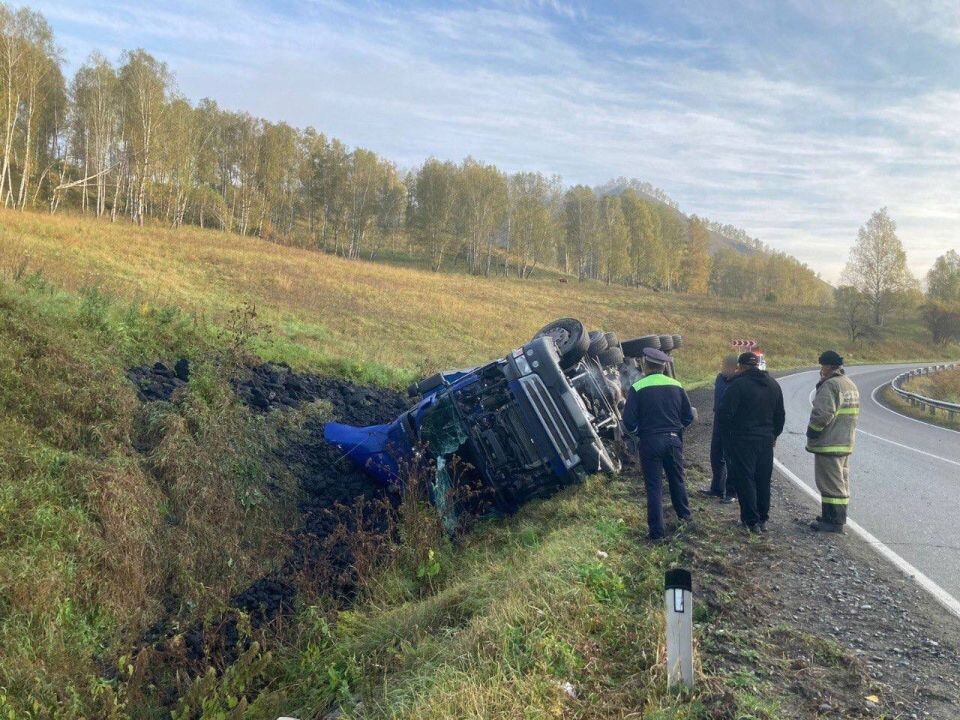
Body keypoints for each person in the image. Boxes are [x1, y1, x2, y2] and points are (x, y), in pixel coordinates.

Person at [622, 347, 696, 541]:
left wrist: (639, 433)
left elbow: (628, 421)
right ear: (663, 367)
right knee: (677, 480)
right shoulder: (676, 385)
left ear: (646, 365)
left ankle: (656, 532)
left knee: (654, 486)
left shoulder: (638, 387)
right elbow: (688, 416)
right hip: (673, 439)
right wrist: (677, 429)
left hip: (650, 441)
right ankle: (685, 518)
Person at [716, 352, 785, 534]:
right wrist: (773, 435)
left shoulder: (737, 385)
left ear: (742, 366)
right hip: (765, 441)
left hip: (742, 440)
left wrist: (728, 438)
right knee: (763, 479)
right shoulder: (773, 385)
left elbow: (724, 414)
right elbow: (780, 415)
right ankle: (763, 518)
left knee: (745, 479)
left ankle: (750, 520)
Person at [805, 350, 860, 533]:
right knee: (841, 482)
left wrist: (812, 432)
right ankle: (833, 517)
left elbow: (822, 414)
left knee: (830, 484)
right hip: (845, 442)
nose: (821, 370)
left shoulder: (831, 385)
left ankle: (833, 522)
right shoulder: (849, 384)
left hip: (829, 443)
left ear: (828, 366)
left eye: (822, 366)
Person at [699, 354, 739, 503]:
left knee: (731, 459)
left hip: (733, 424)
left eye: (725, 366)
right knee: (716, 455)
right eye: (722, 365)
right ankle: (717, 488)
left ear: (735, 368)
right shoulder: (719, 379)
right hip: (718, 421)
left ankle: (731, 493)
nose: (723, 369)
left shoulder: (739, 383)